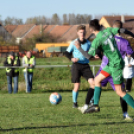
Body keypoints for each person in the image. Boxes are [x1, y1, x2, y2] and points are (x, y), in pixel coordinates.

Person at [74, 19, 134, 115]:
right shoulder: (108, 30)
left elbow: (88, 56)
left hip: (116, 65)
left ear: (91, 29)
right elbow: (121, 30)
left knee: (120, 92)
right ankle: (95, 105)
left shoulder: (97, 40)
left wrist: (79, 48)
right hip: (111, 64)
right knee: (96, 80)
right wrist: (132, 35)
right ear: (99, 26)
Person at [64, 25, 95, 108]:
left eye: (84, 32)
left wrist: (94, 56)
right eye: (81, 32)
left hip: (85, 66)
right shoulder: (74, 42)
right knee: (77, 86)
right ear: (77, 33)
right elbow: (66, 53)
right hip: (76, 66)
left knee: (93, 83)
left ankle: (92, 101)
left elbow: (90, 54)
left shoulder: (89, 43)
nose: (82, 34)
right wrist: (71, 58)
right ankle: (75, 103)